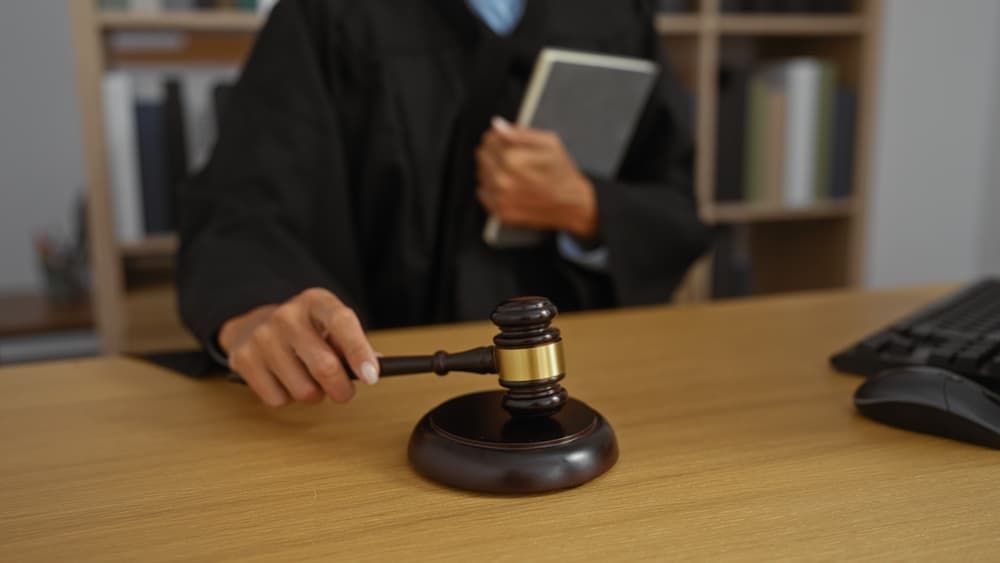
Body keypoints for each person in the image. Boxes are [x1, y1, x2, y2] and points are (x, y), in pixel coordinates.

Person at [177, 0, 710, 408]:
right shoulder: (330, 13)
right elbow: (241, 206)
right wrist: (260, 311)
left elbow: (674, 208)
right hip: (378, 397)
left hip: (584, 388)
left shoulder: (614, 15)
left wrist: (587, 207)